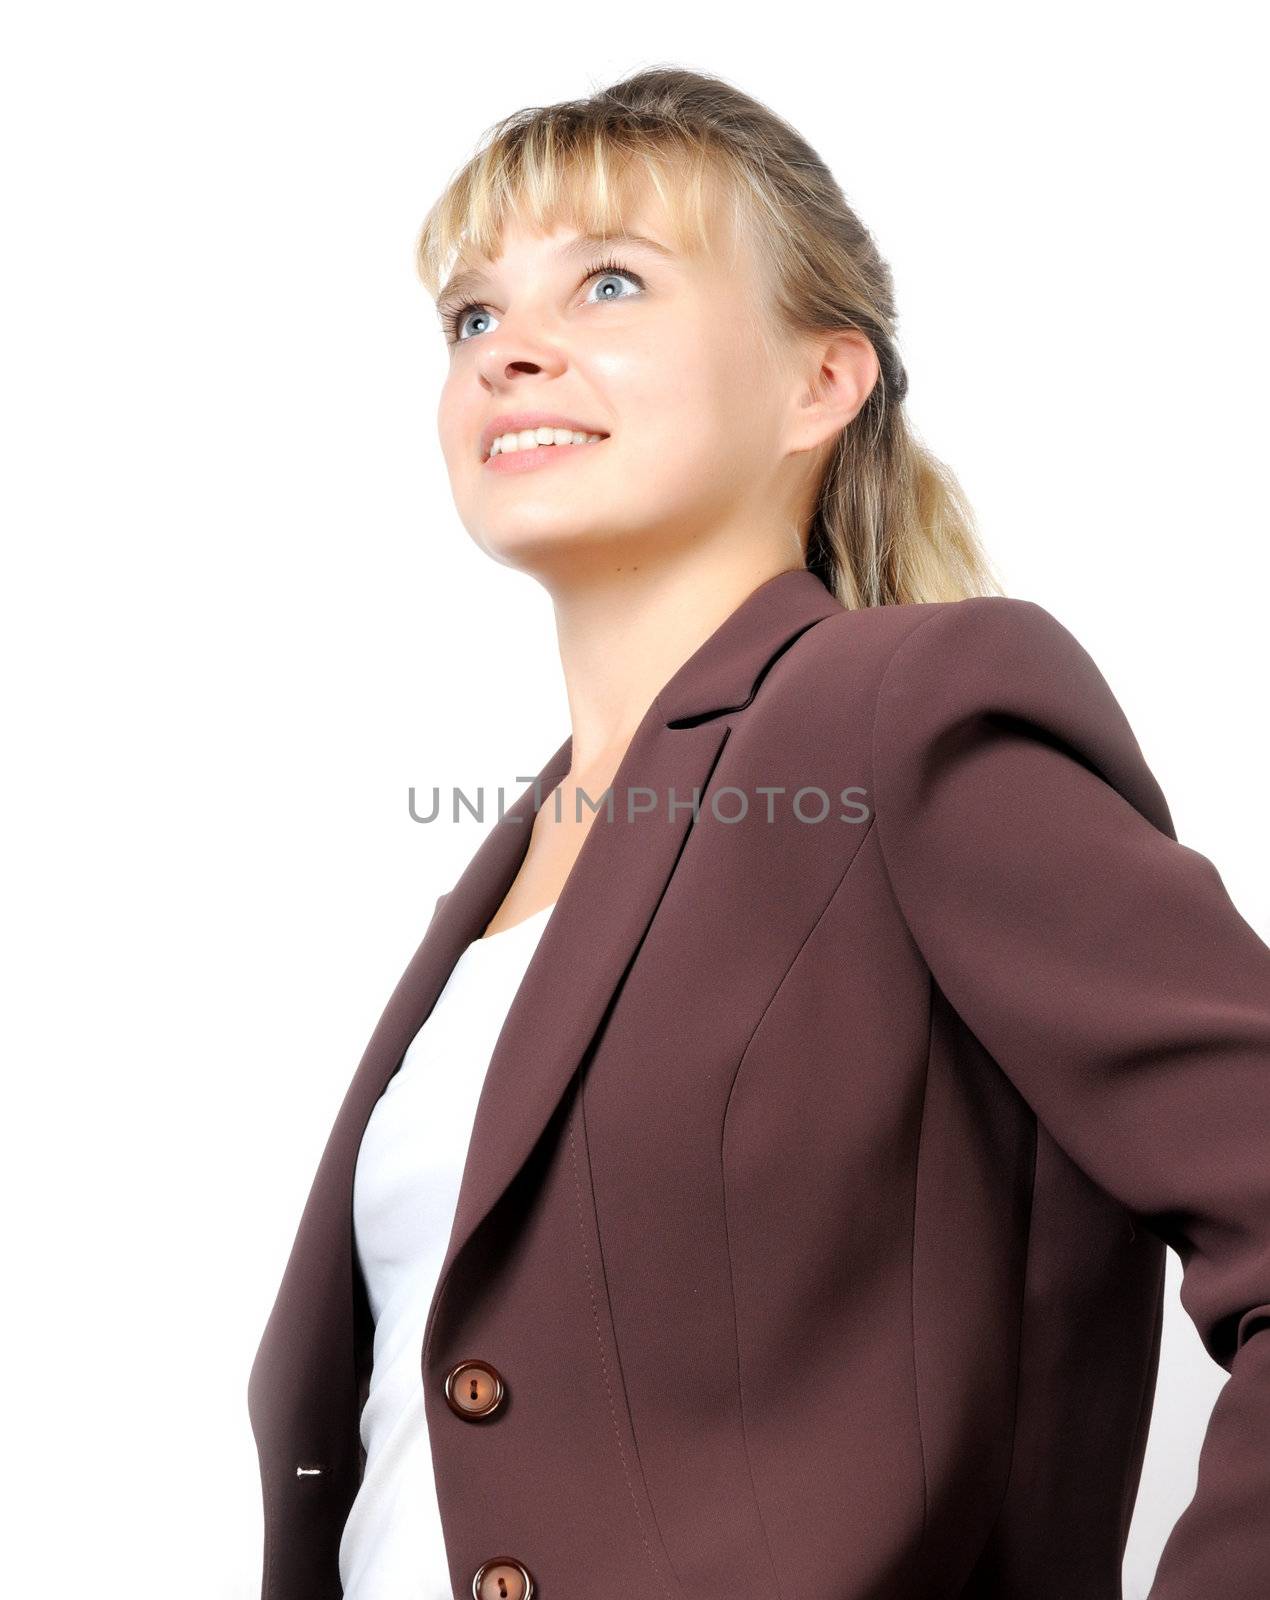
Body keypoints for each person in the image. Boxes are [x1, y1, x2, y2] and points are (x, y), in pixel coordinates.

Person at [247, 66, 1270, 1600]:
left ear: (822, 383)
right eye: (471, 319)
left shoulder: (904, 708)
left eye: (607, 284)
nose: (509, 353)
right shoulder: (500, 879)